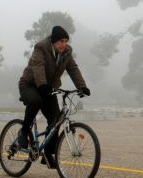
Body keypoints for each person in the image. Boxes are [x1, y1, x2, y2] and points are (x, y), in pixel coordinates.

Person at [17, 25, 90, 168]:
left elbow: (73, 68)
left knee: (56, 119)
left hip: (48, 88)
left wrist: (82, 87)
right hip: (30, 85)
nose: (64, 44)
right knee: (35, 100)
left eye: (66, 41)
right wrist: (42, 85)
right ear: (53, 41)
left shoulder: (67, 51)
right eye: (61, 41)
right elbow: (38, 66)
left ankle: (48, 154)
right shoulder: (41, 47)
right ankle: (24, 132)